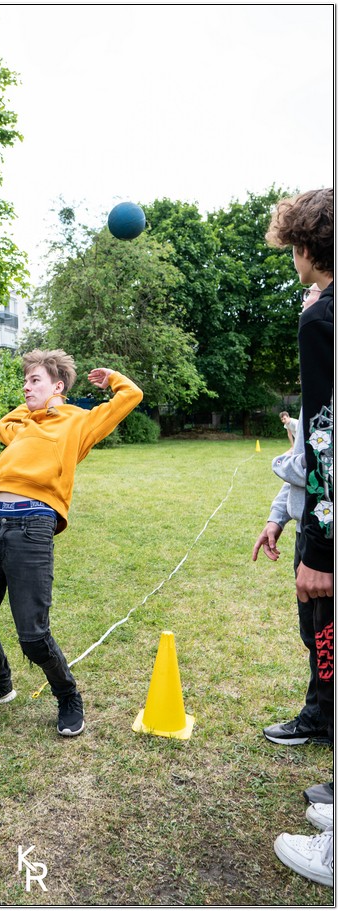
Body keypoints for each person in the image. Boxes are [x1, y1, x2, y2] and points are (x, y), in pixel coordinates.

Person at [0, 349, 143, 737]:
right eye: (25, 381)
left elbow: (131, 396)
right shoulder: (24, 425)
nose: (26, 388)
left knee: (33, 636)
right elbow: (5, 423)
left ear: (58, 386)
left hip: (32, 524)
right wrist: (35, 406)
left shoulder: (79, 422)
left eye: (35, 381)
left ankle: (67, 695)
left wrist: (111, 377)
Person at [265, 188, 334, 887]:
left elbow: (325, 440)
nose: (291, 258)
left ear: (309, 245)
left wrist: (319, 551)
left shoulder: (323, 319)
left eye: (292, 246)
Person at [252, 285, 330, 747]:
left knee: (328, 638)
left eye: (315, 292)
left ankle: (325, 721)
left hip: (326, 536)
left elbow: (316, 467)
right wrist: (276, 519)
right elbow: (306, 469)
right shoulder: (318, 378)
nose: (307, 299)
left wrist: (283, 463)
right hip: (309, 529)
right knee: (315, 635)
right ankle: (320, 716)